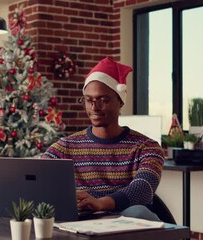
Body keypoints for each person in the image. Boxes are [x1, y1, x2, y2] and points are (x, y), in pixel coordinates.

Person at [42, 57, 164, 221]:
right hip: (82, 221)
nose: (94, 108)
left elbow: (143, 189)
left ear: (120, 102)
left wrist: (101, 203)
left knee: (139, 213)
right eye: (88, 100)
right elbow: (38, 174)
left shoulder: (147, 147)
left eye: (103, 100)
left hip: (126, 222)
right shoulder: (65, 147)